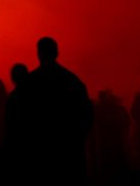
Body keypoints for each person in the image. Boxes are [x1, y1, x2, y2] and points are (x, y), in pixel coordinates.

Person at [26, 37, 93, 185]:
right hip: (68, 154)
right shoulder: (72, 81)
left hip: (39, 155)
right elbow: (87, 116)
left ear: (38, 54)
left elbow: (20, 119)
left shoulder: (30, 83)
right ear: (57, 53)